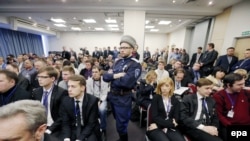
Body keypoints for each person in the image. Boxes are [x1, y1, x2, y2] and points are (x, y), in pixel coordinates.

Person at [103, 35, 142, 141]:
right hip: (112, 96)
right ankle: (121, 137)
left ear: (132, 49)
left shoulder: (135, 65)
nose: (122, 50)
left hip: (123, 98)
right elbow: (105, 77)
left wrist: (112, 76)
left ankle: (123, 139)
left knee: (121, 124)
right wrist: (117, 75)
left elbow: (126, 82)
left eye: (125, 47)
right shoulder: (117, 62)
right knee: (117, 119)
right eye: (121, 47)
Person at [60, 75, 101, 141]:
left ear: (82, 88)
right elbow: (65, 122)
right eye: (68, 86)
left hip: (89, 129)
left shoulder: (92, 101)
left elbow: (91, 124)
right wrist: (66, 138)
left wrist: (79, 139)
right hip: (73, 128)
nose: (69, 89)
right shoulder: (65, 101)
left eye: (73, 86)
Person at [32, 66, 68, 137]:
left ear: (52, 79)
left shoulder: (61, 93)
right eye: (38, 77)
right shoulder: (36, 92)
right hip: (39, 125)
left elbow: (62, 116)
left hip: (55, 126)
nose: (39, 79)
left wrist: (50, 129)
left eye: (43, 77)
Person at [213, 73, 250, 141]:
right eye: (239, 84)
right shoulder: (219, 96)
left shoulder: (246, 93)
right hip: (230, 126)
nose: (243, 86)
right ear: (228, 85)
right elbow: (219, 115)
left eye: (243, 83)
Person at [86, 66, 110, 139]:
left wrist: (100, 101)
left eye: (96, 72)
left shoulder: (104, 80)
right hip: (92, 99)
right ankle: (91, 127)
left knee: (102, 110)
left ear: (100, 72)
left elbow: (105, 93)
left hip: (102, 98)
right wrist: (94, 102)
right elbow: (89, 93)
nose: (94, 74)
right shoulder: (89, 81)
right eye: (93, 72)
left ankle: (103, 128)